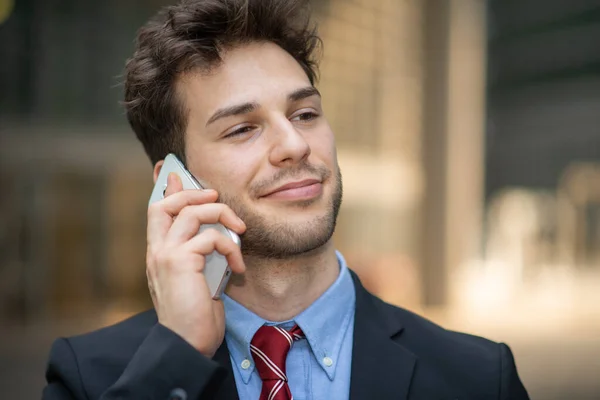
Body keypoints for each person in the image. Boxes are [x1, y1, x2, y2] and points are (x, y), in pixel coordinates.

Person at [42, 0, 530, 399]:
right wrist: (178, 355)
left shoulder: (482, 378)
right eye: (242, 128)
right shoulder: (89, 377)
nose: (295, 145)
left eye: (304, 114)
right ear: (175, 185)